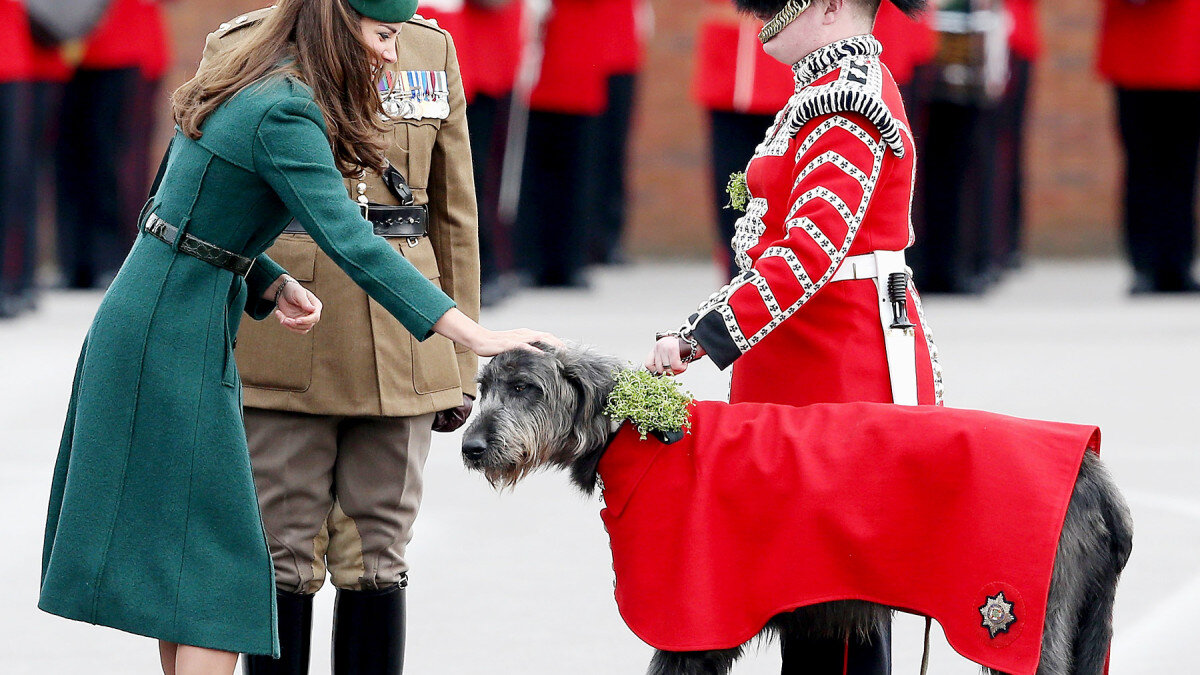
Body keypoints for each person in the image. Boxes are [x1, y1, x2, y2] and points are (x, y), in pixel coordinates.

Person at [38, 1, 558, 674]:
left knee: (203, 566)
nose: (393, 53)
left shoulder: (264, 73)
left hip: (175, 312)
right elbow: (351, 240)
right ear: (340, 23)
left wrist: (266, 278)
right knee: (225, 577)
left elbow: (179, 207)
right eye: (381, 34)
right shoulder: (285, 102)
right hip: (178, 333)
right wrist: (474, 336)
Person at [646, 0, 942, 673]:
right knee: (806, 598)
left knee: (836, 612)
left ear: (833, 5)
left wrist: (701, 335)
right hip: (805, 372)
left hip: (839, 375)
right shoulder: (817, 91)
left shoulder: (848, 102)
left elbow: (809, 250)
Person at [198, 5, 478, 673]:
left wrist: (458, 364)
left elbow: (453, 213)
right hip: (292, 330)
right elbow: (206, 201)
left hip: (401, 339)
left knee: (379, 553)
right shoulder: (248, 44)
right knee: (284, 550)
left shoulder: (429, 47)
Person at [1097, 0, 1200, 294]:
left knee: (1182, 167)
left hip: (1186, 45)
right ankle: (1144, 264)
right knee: (1141, 166)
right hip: (1134, 44)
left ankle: (1178, 263)